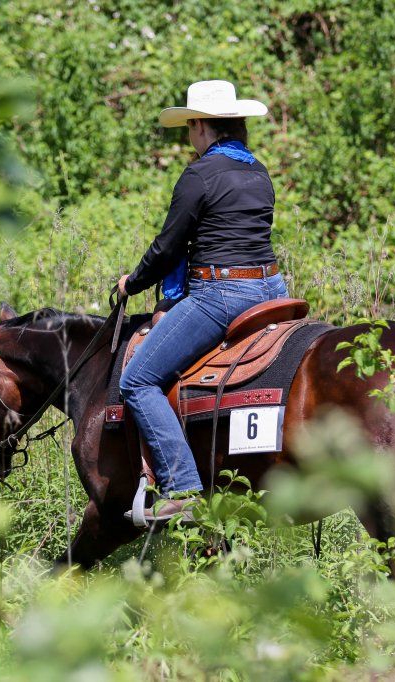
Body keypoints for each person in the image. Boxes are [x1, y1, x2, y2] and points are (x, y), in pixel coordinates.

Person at [118, 80, 288, 523]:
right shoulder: (259, 170)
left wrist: (132, 283)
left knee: (137, 380)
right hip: (274, 288)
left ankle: (184, 487)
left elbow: (169, 246)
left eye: (189, 128)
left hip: (225, 293)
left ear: (199, 127)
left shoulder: (199, 175)